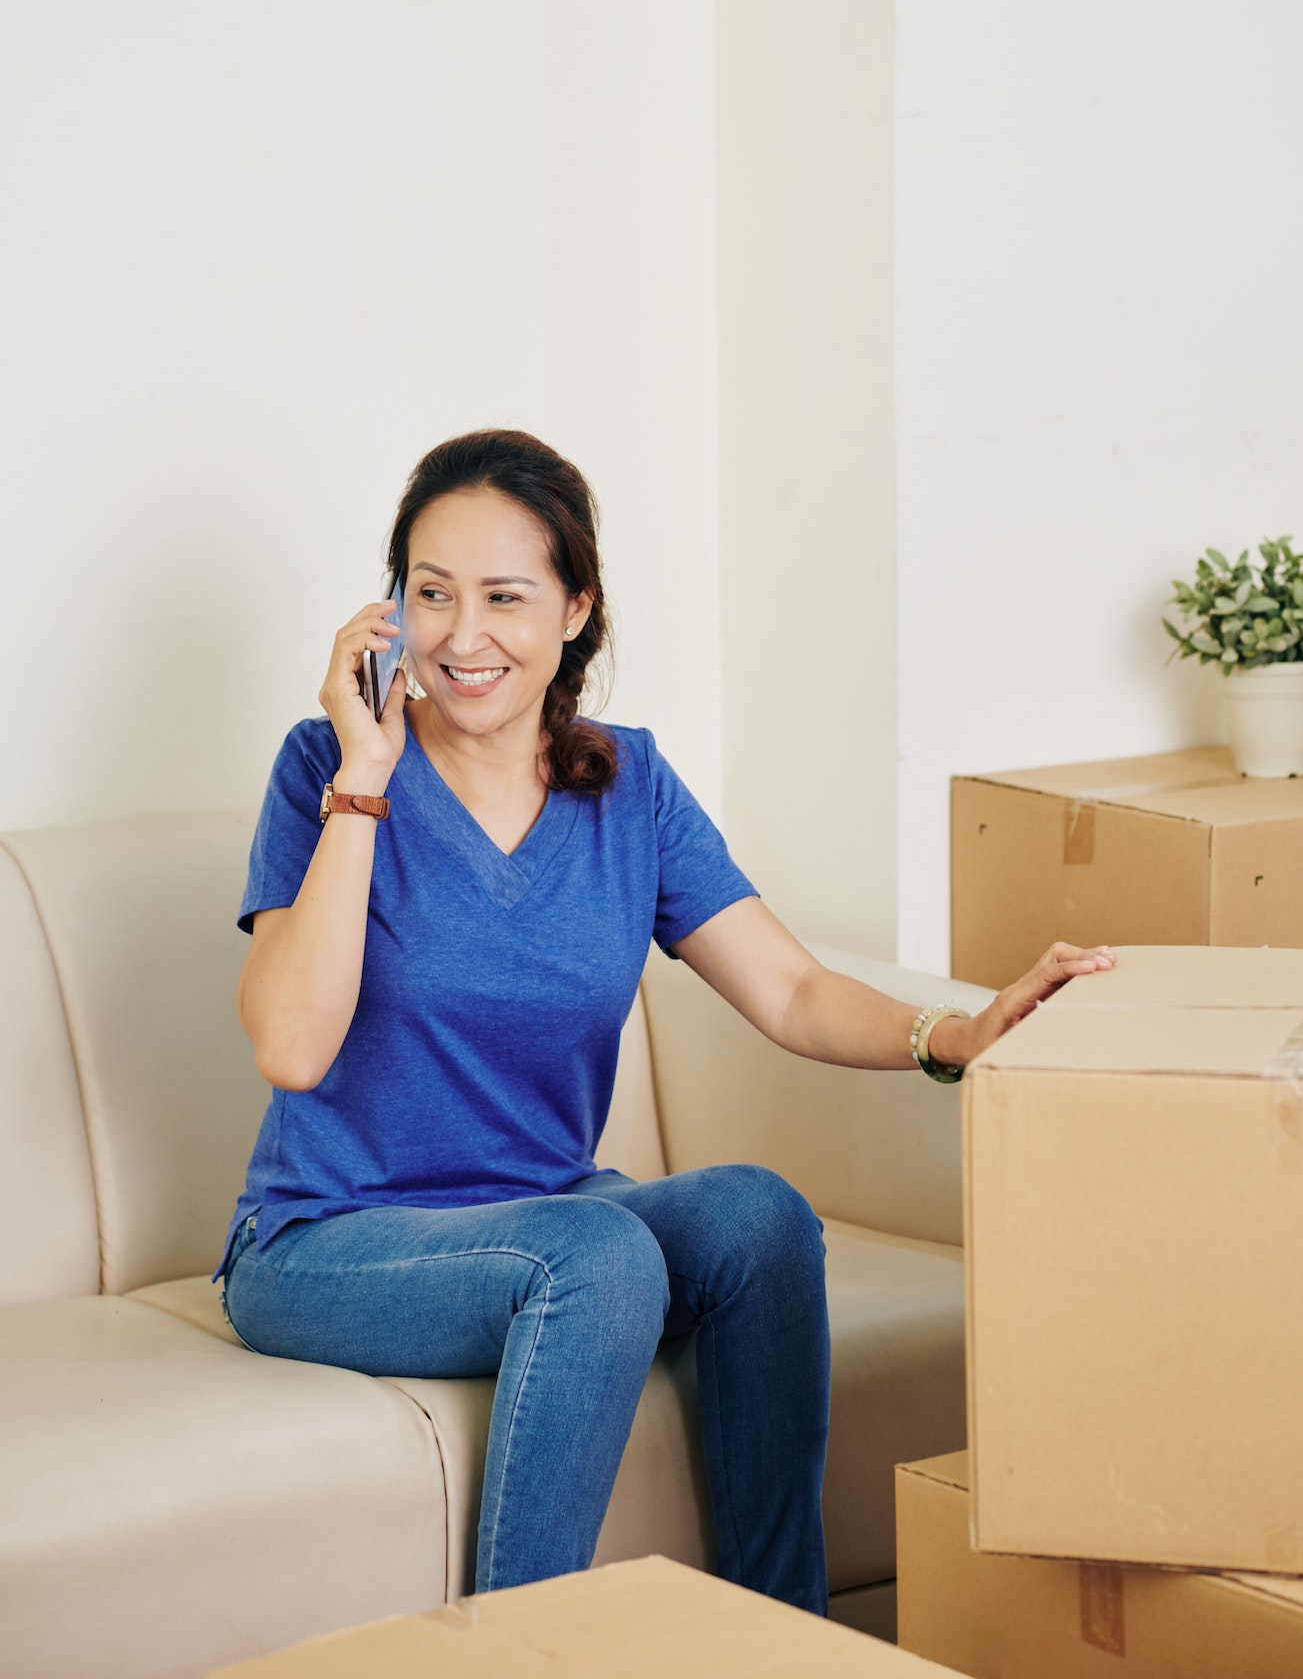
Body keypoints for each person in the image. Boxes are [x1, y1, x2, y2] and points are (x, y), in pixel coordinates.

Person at [219, 428, 1114, 1616]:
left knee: (757, 1217)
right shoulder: (327, 768)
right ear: (390, 608)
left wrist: (954, 1032)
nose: (461, 635)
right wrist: (365, 770)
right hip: (328, 1241)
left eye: (504, 596)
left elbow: (788, 987)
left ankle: (780, 1631)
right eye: (430, 594)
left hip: (541, 1210)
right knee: (595, 1252)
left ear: (576, 608)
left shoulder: (623, 782)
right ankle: (521, 1647)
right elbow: (290, 1044)